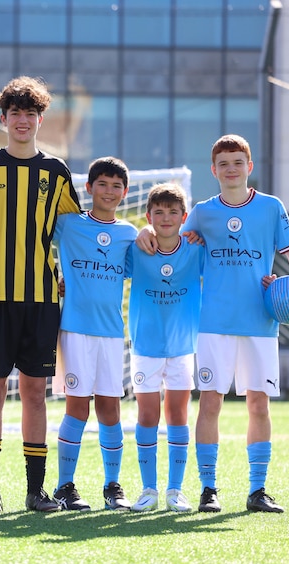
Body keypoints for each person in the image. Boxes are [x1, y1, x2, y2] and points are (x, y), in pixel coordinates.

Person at [137, 134, 289, 513]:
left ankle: (258, 491)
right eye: (223, 163)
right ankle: (209, 489)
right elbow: (167, 229)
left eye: (238, 162)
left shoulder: (272, 208)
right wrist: (144, 231)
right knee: (211, 403)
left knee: (258, 405)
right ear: (214, 170)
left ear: (249, 166)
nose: (231, 169)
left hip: (260, 321)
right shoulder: (204, 212)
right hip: (214, 324)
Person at [0, 76, 81, 513]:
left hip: (40, 301)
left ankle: (36, 491)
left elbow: (78, 233)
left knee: (35, 393)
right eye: (14, 113)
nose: (22, 120)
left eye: (30, 113)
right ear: (3, 118)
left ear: (40, 119)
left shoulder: (56, 173)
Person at [51, 156, 137, 512]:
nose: (109, 191)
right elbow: (34, 240)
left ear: (125, 192)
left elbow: (146, 267)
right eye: (102, 184)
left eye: (116, 186)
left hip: (111, 333)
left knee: (110, 409)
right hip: (74, 331)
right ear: (88, 188)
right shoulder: (69, 225)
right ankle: (64, 486)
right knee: (77, 408)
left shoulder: (129, 234)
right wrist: (54, 271)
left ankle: (112, 486)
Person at [126, 183, 203, 513]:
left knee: (177, 414)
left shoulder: (196, 249)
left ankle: (175, 489)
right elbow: (111, 271)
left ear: (184, 217)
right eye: (159, 212)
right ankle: (148, 489)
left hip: (183, 346)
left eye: (173, 212)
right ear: (149, 215)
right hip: (145, 346)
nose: (166, 217)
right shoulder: (137, 249)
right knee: (147, 415)